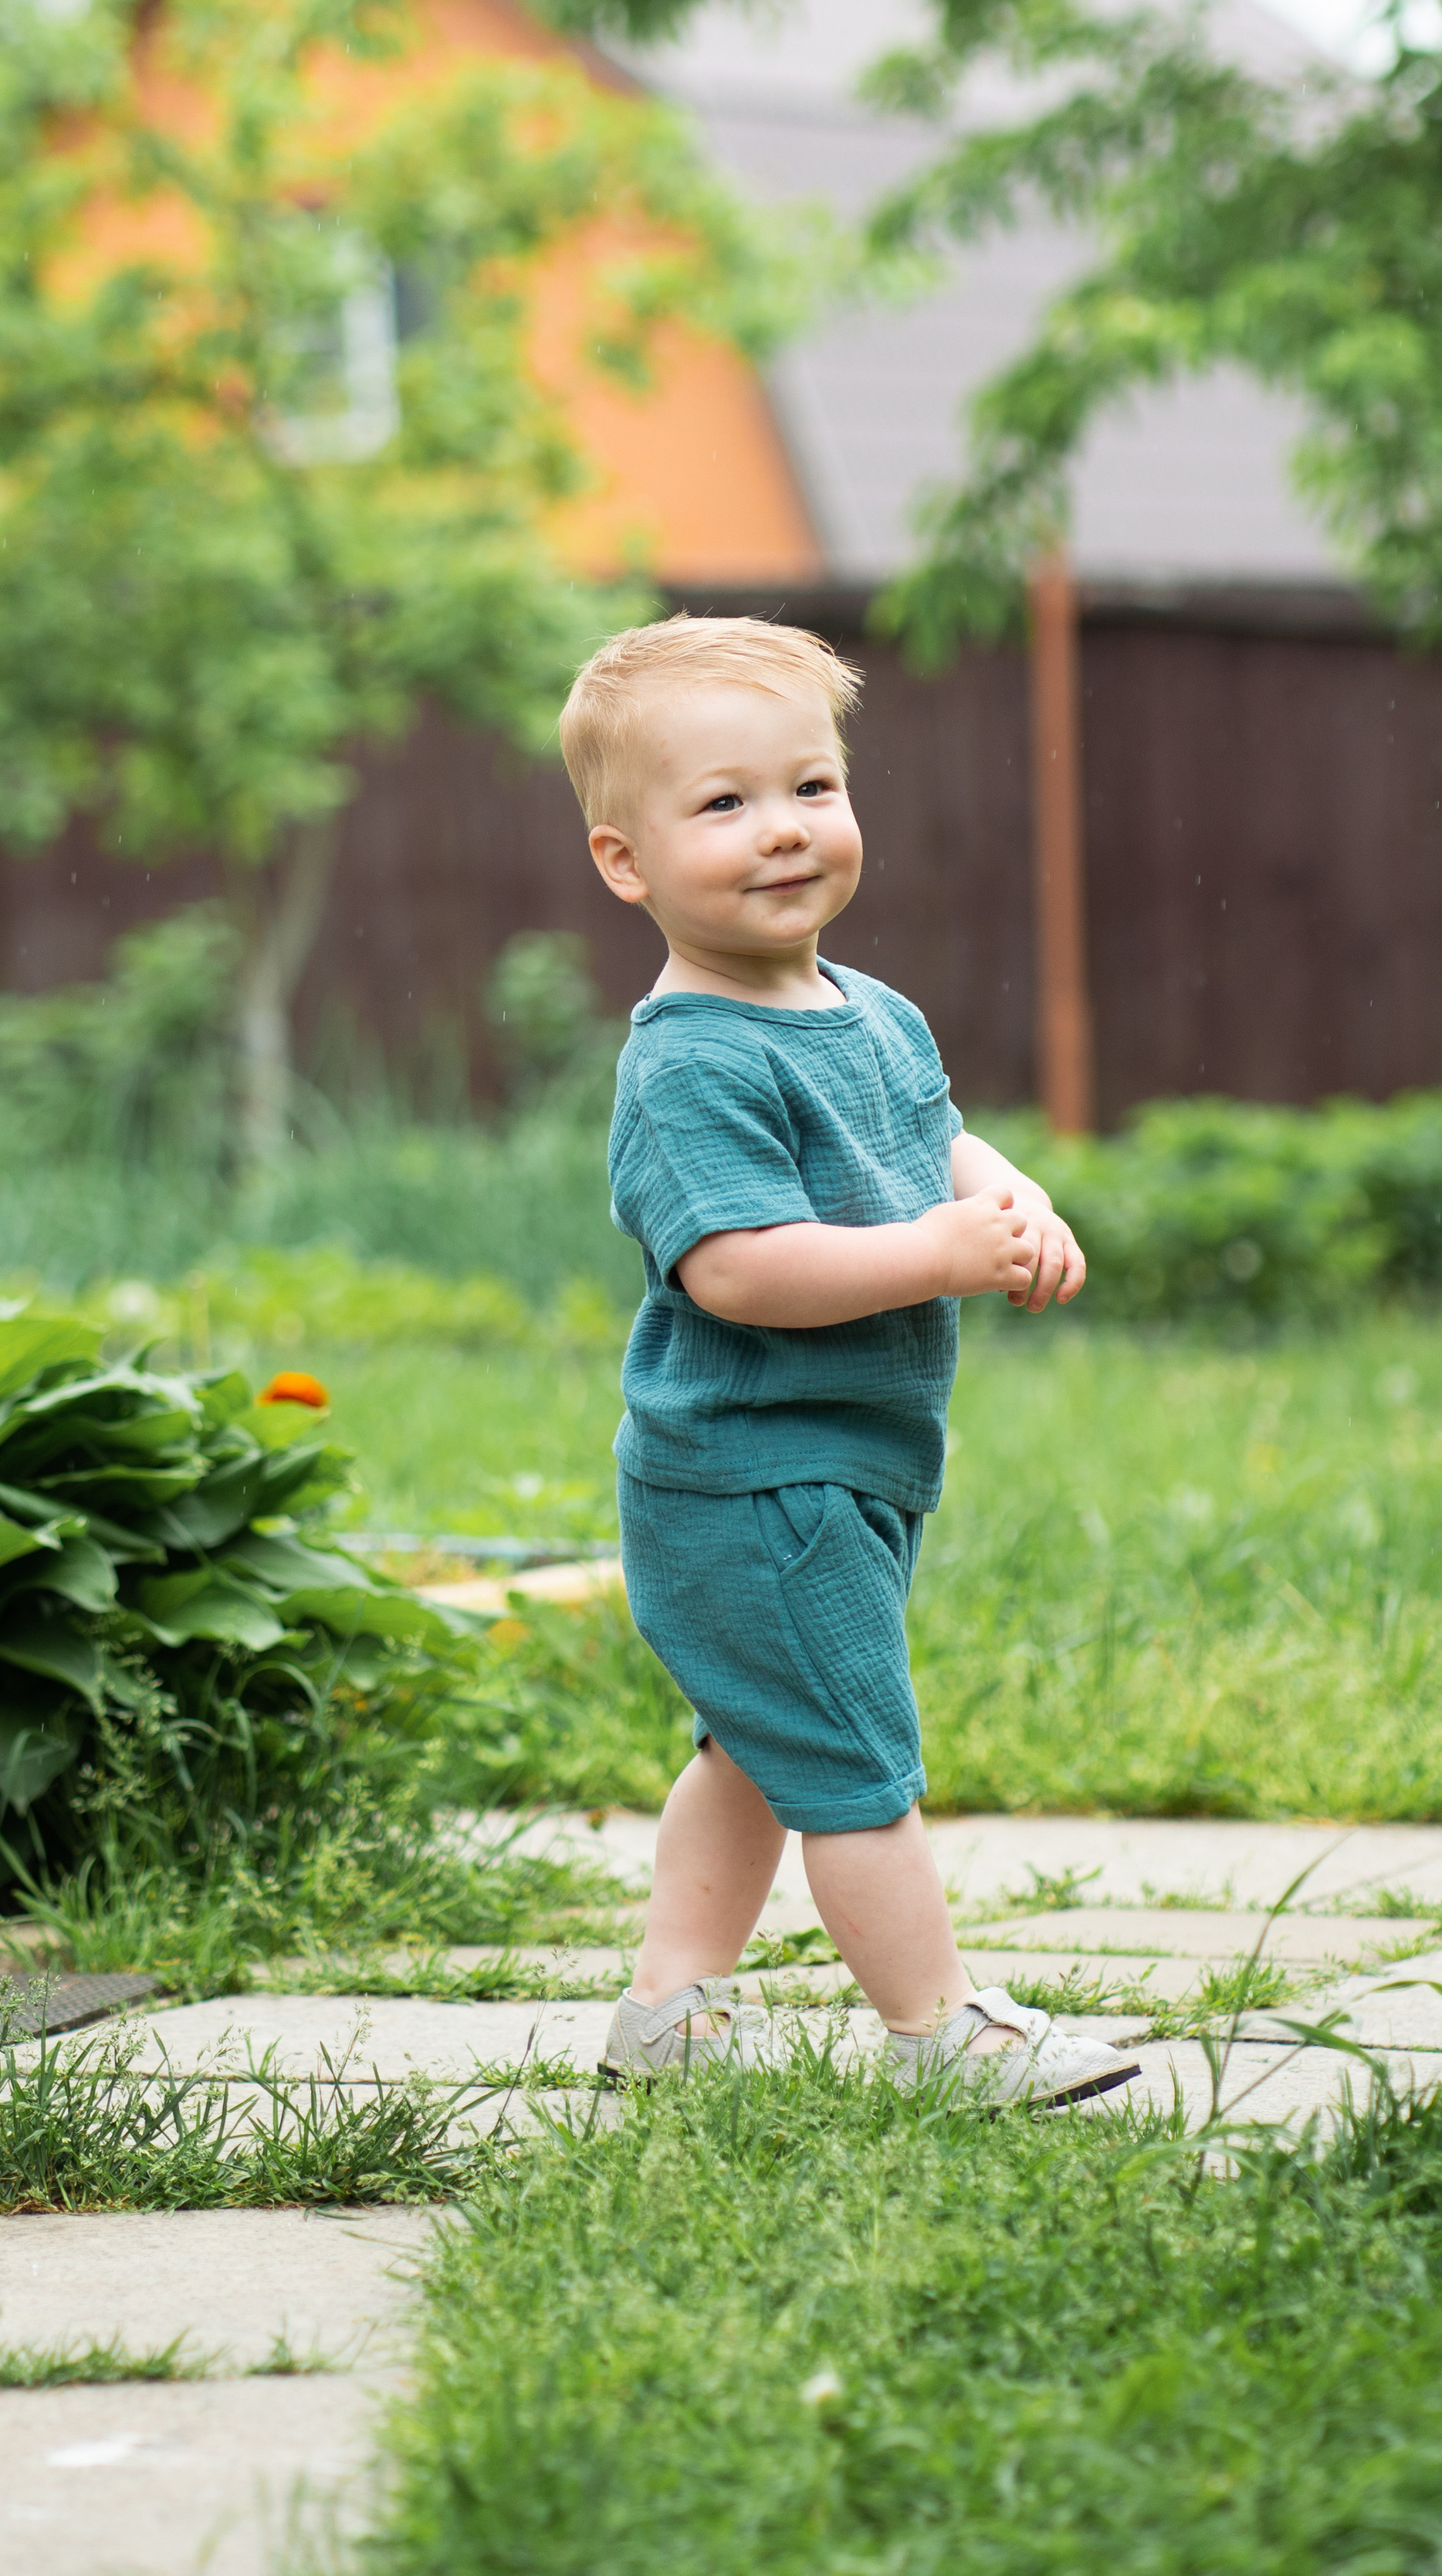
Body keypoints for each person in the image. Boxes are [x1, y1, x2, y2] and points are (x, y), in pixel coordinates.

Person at [557, 613, 1140, 2107]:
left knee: (761, 1747)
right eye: (724, 803)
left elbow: (935, 1136)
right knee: (853, 1763)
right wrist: (936, 1255)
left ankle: (667, 2011)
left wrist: (1010, 1198)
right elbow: (739, 1267)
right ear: (626, 860)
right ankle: (939, 2031)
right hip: (753, 1473)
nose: (782, 829)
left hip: (842, 1459)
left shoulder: (866, 1010)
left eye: (811, 787)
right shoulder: (691, 1058)